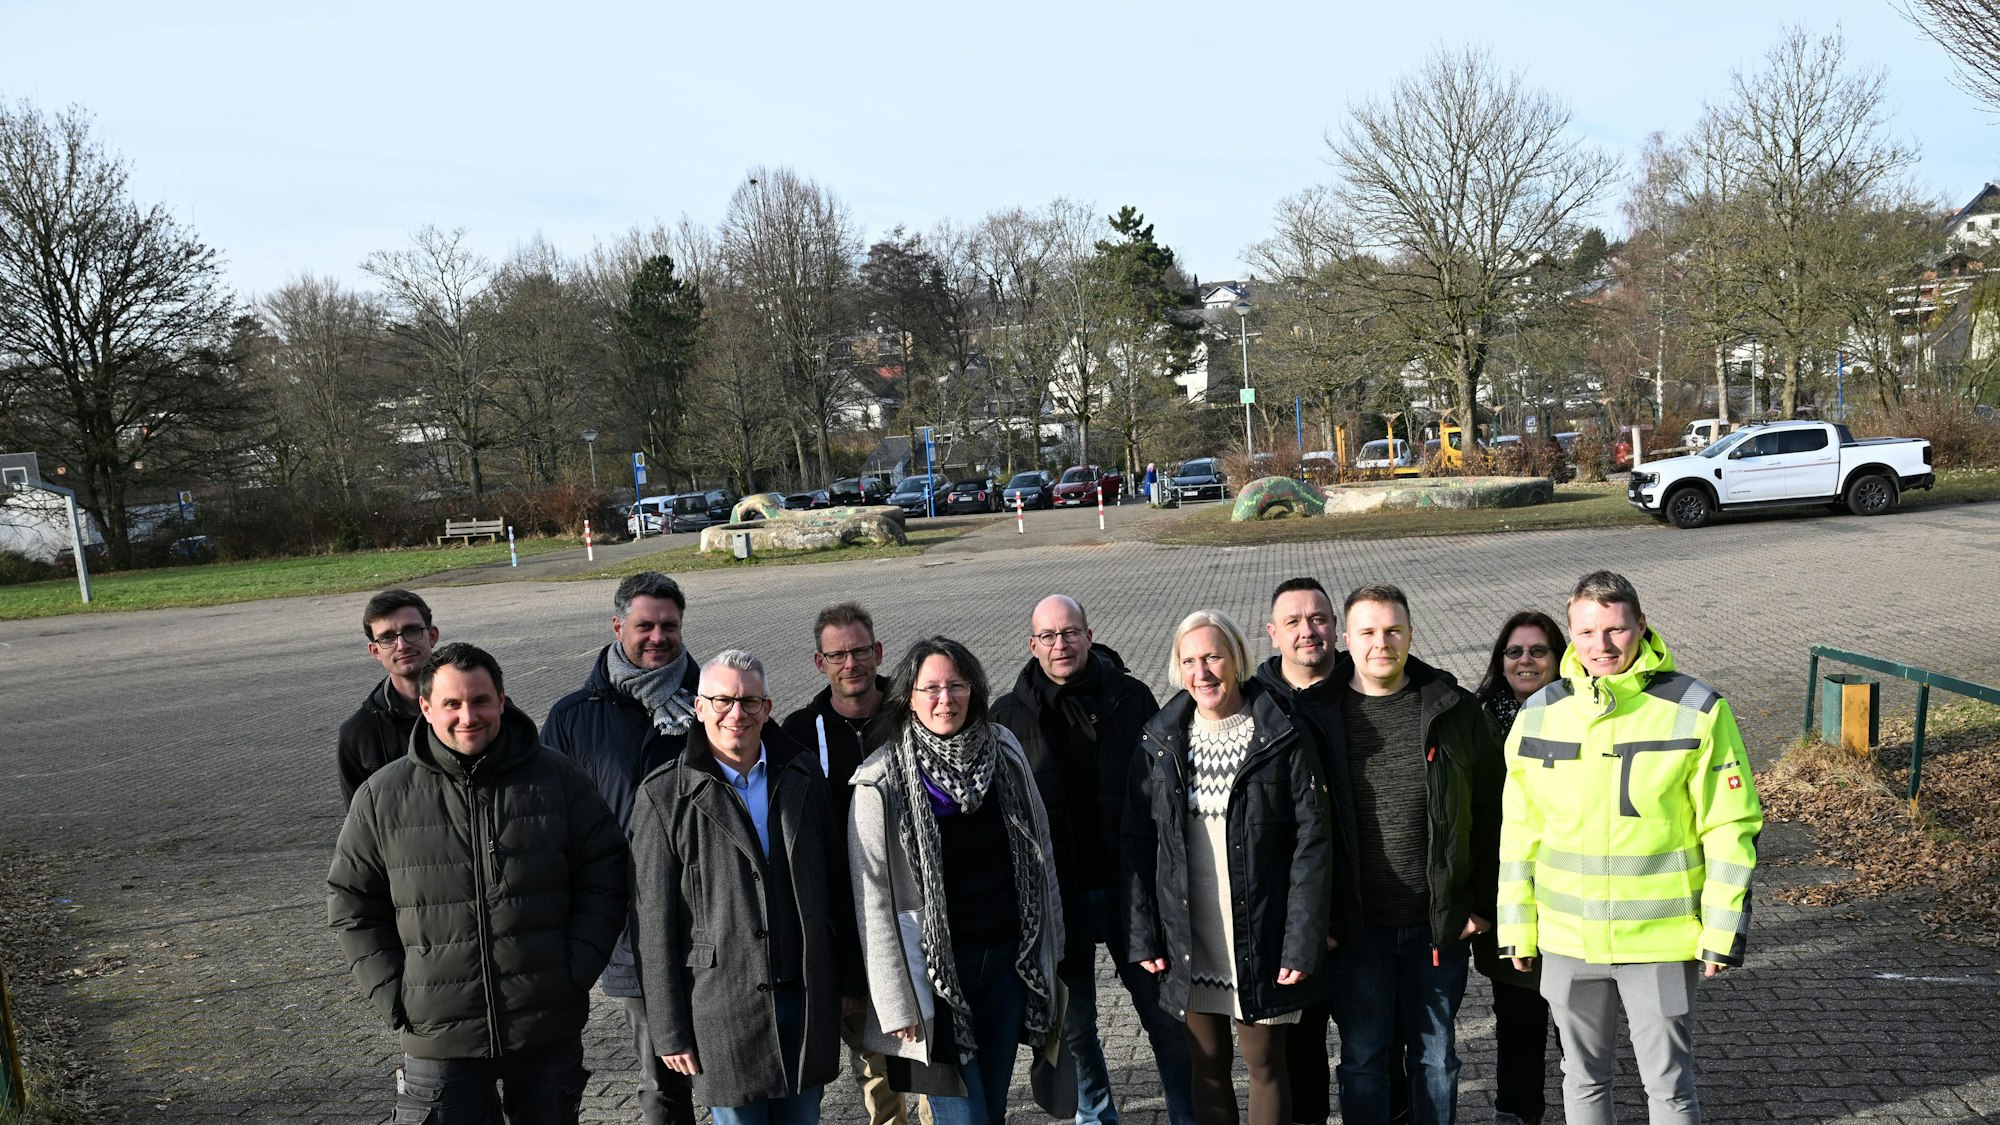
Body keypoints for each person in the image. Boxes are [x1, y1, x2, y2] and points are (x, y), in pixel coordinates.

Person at [1498, 572, 1762, 1125]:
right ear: (1570, 633)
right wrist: (1516, 927)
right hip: (1568, 937)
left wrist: (1720, 931)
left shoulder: (1697, 707)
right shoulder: (1539, 712)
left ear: (1641, 626)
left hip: (1661, 939)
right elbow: (1519, 833)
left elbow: (1729, 826)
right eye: (1588, 632)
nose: (1603, 646)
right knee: (1582, 1077)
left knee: (1668, 1085)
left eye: (1616, 630)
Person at [328, 643, 629, 1124]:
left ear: (502, 700)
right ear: (426, 708)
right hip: (437, 1030)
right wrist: (395, 994)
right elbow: (352, 903)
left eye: (480, 700)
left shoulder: (557, 778)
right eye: (451, 703)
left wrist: (574, 971)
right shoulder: (382, 796)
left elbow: (606, 873)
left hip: (545, 1023)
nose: (468, 716)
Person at [630, 650, 860, 1125]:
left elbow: (840, 884)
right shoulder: (662, 796)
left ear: (768, 708)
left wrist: (849, 980)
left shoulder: (803, 774)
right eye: (723, 701)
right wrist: (670, 1031)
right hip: (723, 1007)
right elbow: (651, 926)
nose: (737, 714)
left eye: (750, 702)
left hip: (803, 996)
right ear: (698, 707)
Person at [1124, 609, 1333, 1125]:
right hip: (1192, 938)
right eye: (1189, 661)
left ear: (1236, 658)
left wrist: (1301, 938)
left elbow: (1313, 843)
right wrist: (1144, 933)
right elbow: (1136, 842)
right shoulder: (1161, 742)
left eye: (1213, 656)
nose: (1203, 672)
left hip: (1262, 938)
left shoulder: (1281, 733)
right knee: (1208, 1064)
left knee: (1266, 1063)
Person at [848, 636, 1066, 1125]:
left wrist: (1052, 945)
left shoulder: (1004, 750)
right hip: (932, 979)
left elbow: (1040, 852)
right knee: (961, 1118)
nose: (944, 699)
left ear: (973, 690)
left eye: (956, 685)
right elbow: (874, 900)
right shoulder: (880, 779)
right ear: (909, 696)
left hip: (1007, 965)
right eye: (931, 688)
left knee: (992, 1108)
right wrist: (894, 1001)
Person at [991, 595, 1191, 1125]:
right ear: (1032, 645)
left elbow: (1164, 796)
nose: (1061, 644)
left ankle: (1187, 1114)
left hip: (1133, 891)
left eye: (1071, 632)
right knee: (1075, 1029)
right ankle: (1096, 1118)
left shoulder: (1131, 697)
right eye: (1049, 636)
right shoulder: (1006, 718)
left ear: (1090, 635)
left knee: (1166, 1018)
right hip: (1058, 899)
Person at [1325, 584, 1503, 1125]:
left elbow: (1495, 817)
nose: (1382, 642)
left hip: (1437, 927)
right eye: (1369, 632)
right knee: (1361, 1059)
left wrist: (1479, 904)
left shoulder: (1455, 711)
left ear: (1411, 634)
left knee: (1435, 1059)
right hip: (1355, 930)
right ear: (1345, 640)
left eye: (1393, 630)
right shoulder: (1316, 717)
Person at [543, 571, 701, 1125]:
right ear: (617, 627)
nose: (657, 637)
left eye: (669, 626)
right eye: (644, 626)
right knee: (661, 1080)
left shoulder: (714, 705)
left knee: (735, 1070)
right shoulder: (573, 717)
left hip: (713, 918)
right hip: (630, 927)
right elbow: (551, 825)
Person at [779, 604, 908, 1125]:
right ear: (819, 662)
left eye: (860, 651)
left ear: (878, 653)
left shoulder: (912, 715)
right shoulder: (795, 735)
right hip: (842, 931)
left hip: (913, 920)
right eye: (838, 654)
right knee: (877, 1069)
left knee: (930, 1065)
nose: (850, 663)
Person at [1249, 578, 1357, 1125]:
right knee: (1301, 1059)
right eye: (1292, 622)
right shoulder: (1254, 707)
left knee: (1377, 1055)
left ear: (1335, 626)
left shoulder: (1368, 688)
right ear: (1272, 634)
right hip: (1292, 921)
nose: (1307, 631)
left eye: (1317, 619)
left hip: (1370, 913)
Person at [1470, 611, 1569, 1125]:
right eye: (1515, 651)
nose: (1526, 660)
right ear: (1500, 660)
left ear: (1559, 658)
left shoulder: (1584, 714)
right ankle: (1519, 1113)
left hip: (1574, 898)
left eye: (1538, 651)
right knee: (1517, 1026)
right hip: (1507, 899)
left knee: (1577, 1035)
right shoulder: (1477, 718)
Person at [337, 588, 438, 805]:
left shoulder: (479, 708)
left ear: (432, 636)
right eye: (387, 638)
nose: (402, 645)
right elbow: (361, 824)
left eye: (411, 631)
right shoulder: (359, 734)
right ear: (375, 651)